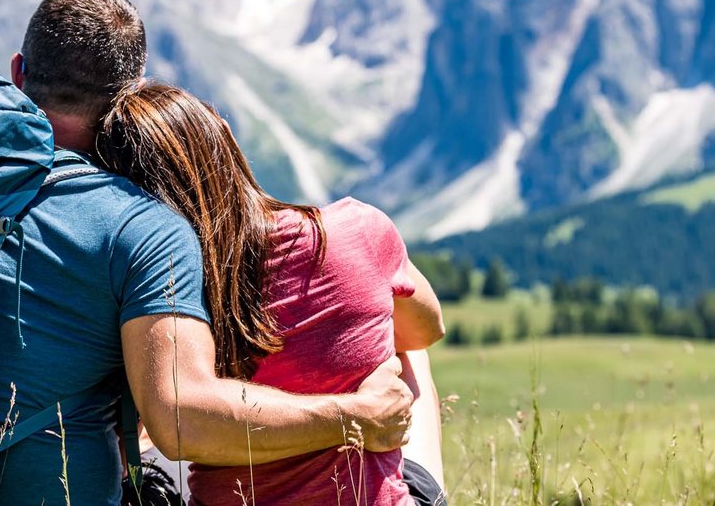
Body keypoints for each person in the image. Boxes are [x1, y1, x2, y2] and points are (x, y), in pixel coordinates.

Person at [0, 0, 414, 505]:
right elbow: (181, 416)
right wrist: (359, 417)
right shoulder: (142, 228)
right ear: (129, 95)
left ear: (18, 74)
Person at [96, 80, 450, 505]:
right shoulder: (360, 229)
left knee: (146, 420)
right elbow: (428, 328)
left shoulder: (162, 287)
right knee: (406, 344)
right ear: (225, 139)